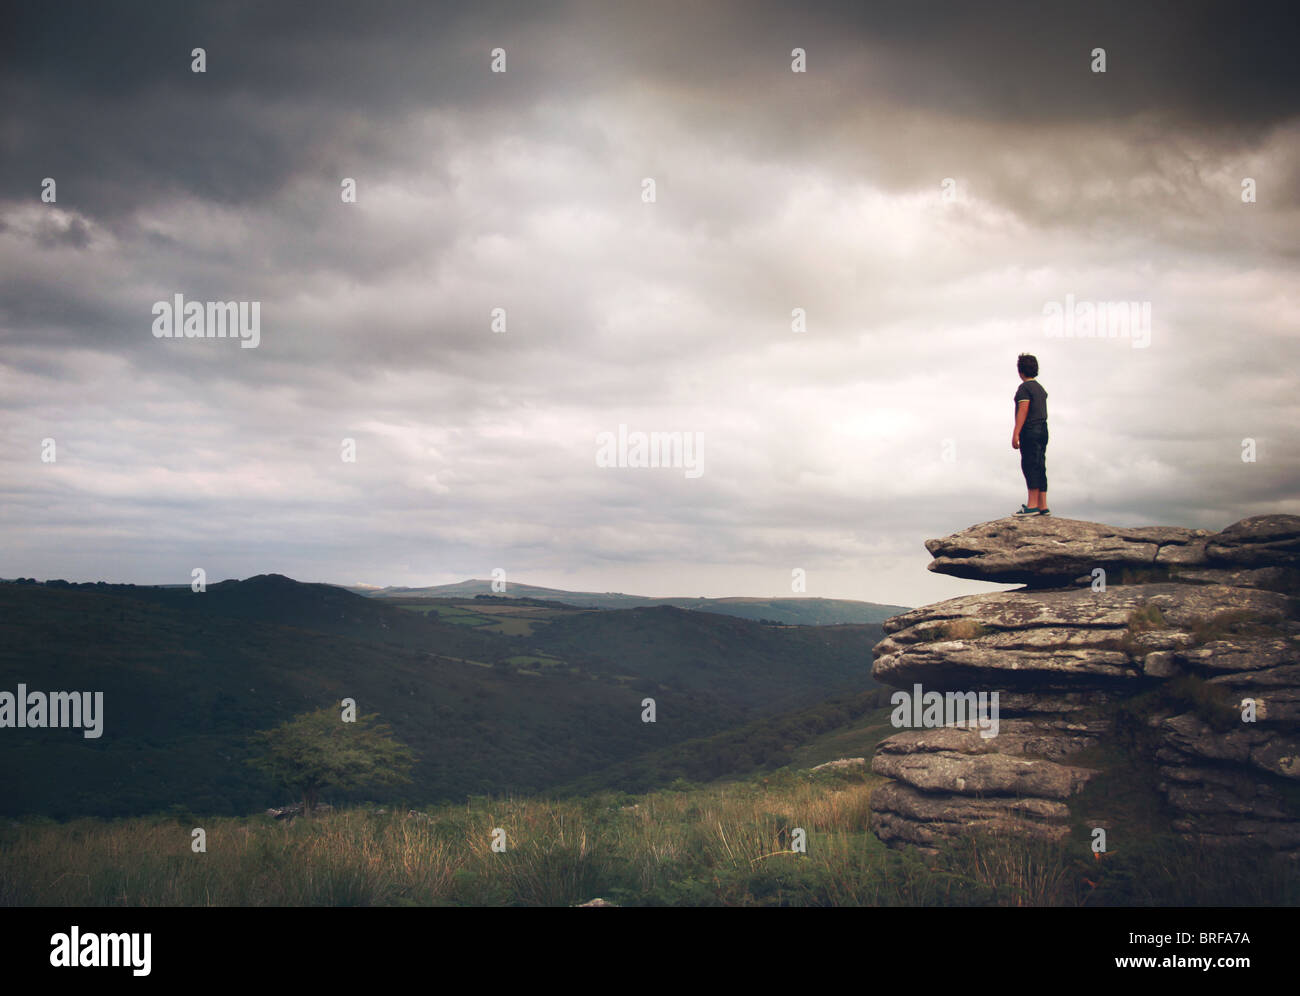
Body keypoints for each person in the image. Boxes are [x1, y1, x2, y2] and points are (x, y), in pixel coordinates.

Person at [1012, 353, 1050, 515]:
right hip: (1043, 429)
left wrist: (1016, 432)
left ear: (1020, 371)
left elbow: (1024, 409)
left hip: (1031, 430)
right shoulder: (1041, 389)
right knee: (1040, 464)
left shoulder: (1024, 388)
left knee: (1030, 464)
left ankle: (1032, 505)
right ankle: (1043, 505)